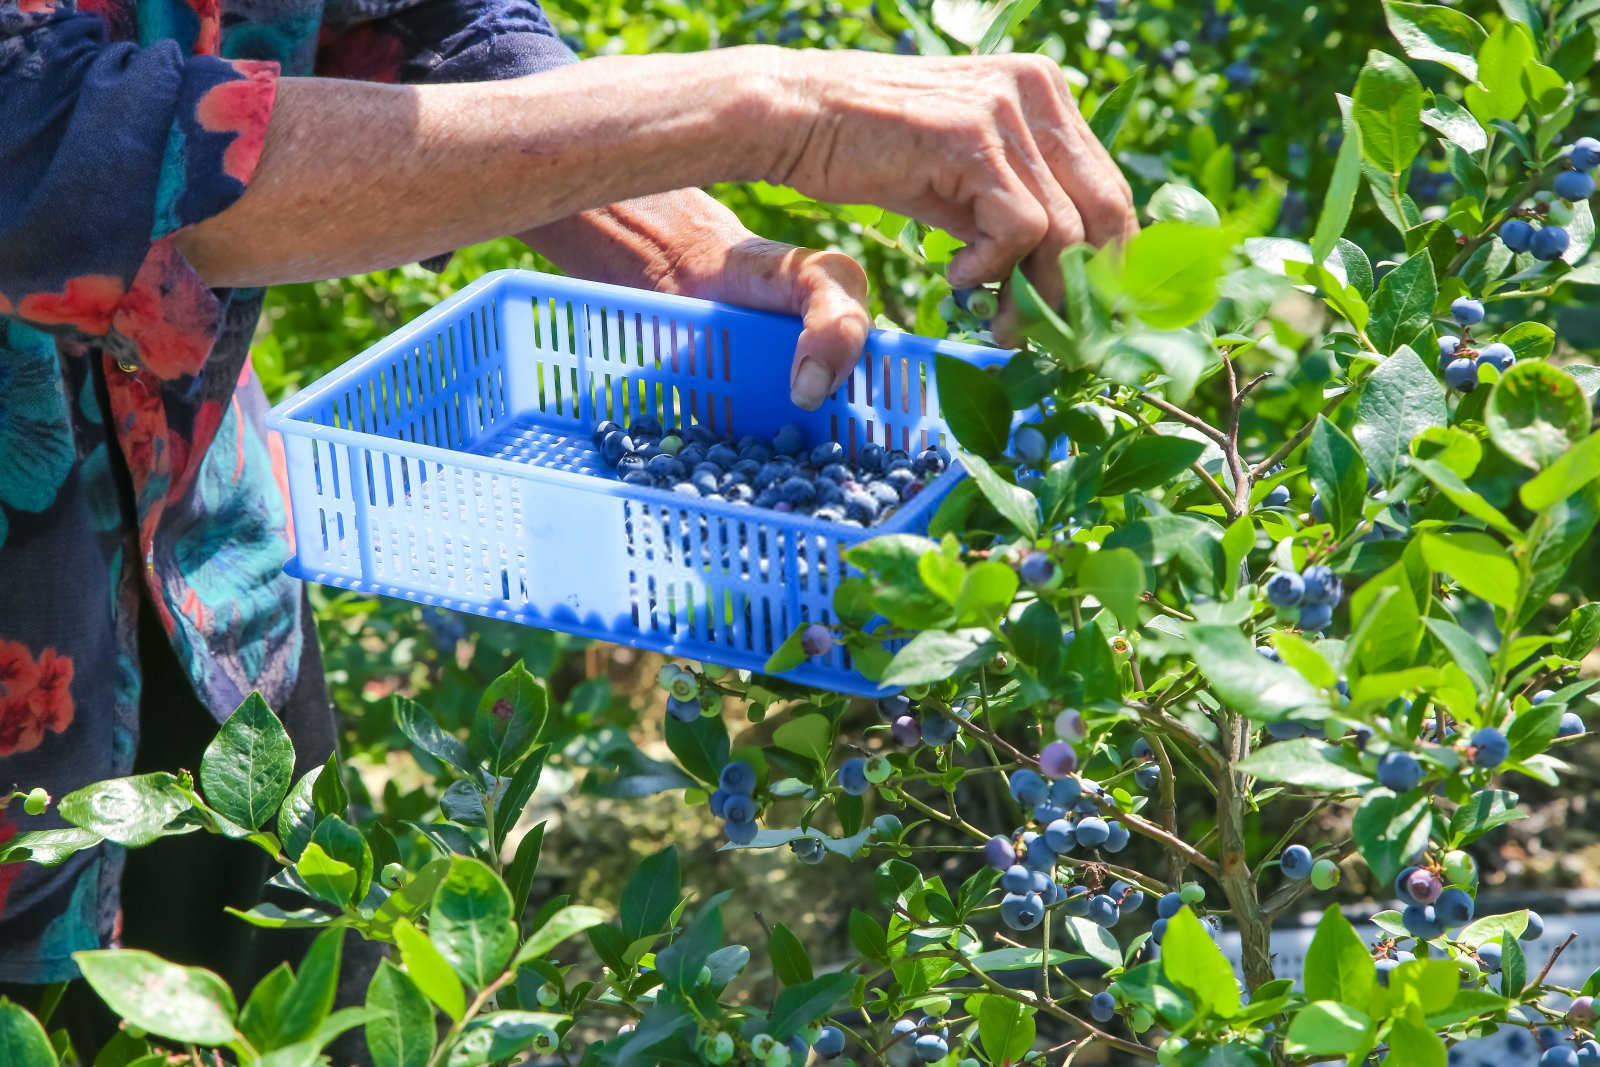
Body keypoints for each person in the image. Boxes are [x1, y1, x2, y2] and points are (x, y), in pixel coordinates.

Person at [0, 0, 1136, 1057]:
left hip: (212, 602)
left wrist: (672, 247)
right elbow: (52, 152)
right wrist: (772, 110)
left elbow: (416, 23)